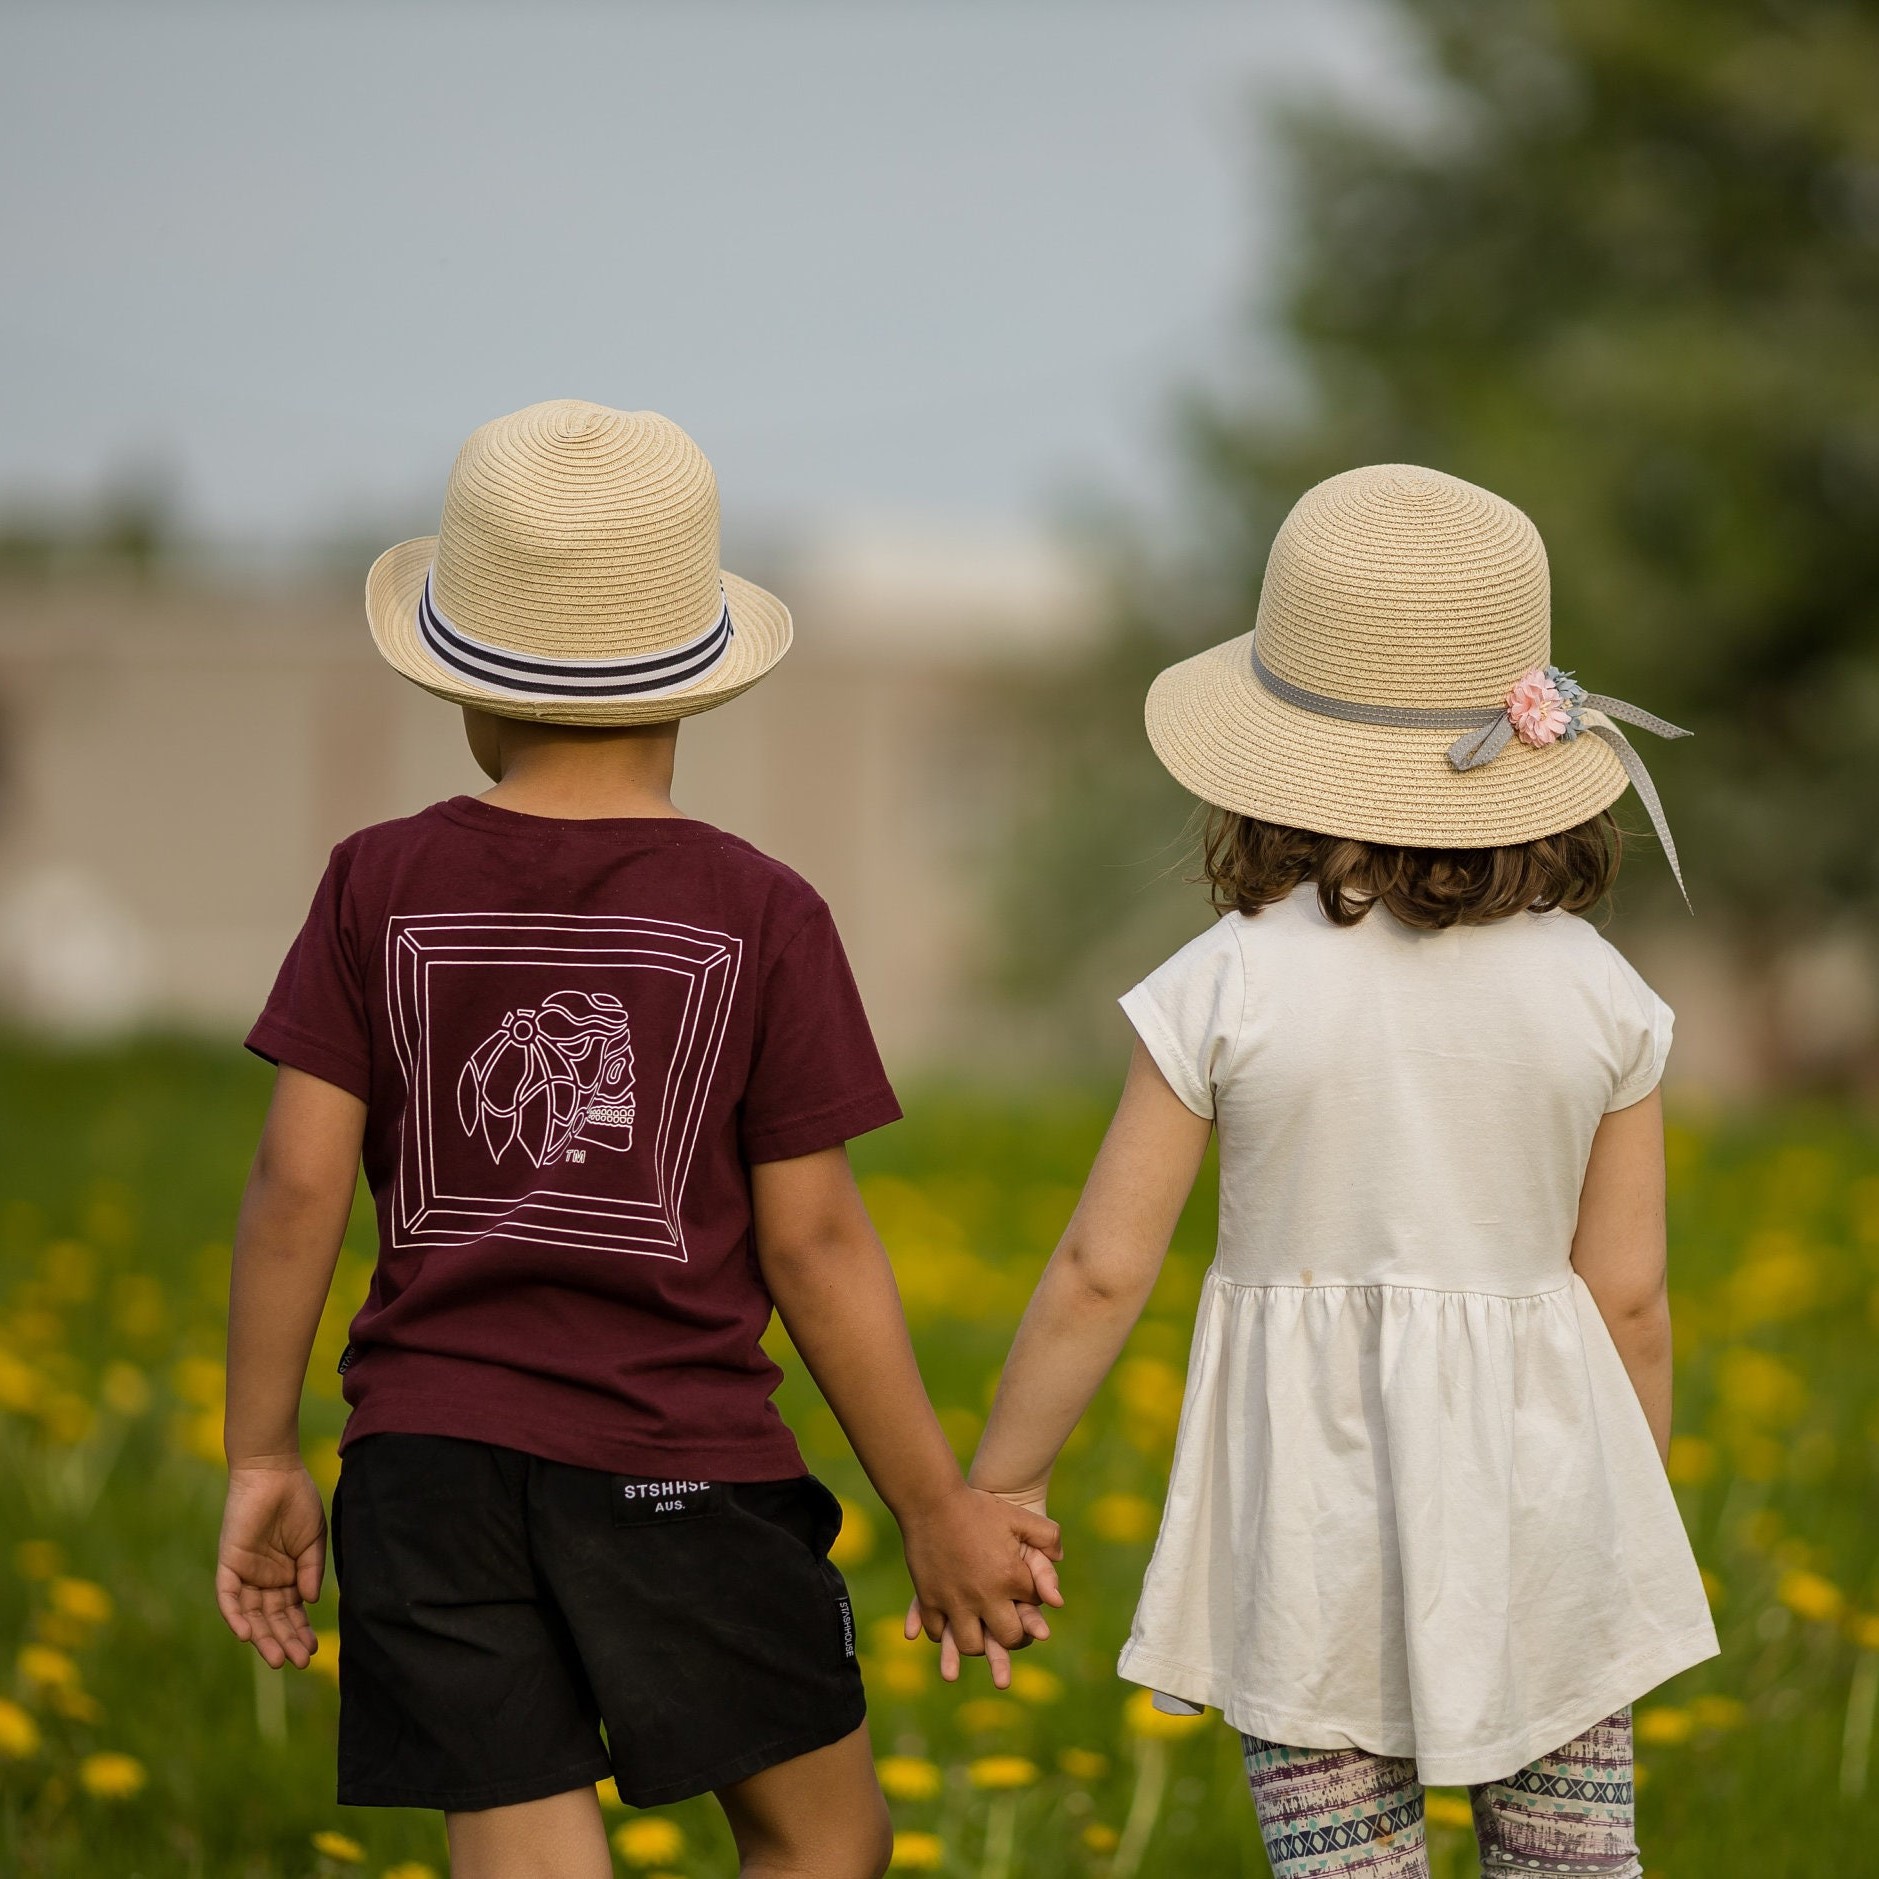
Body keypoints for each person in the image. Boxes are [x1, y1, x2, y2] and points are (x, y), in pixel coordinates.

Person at [213, 401, 1059, 1879]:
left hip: (425, 1469)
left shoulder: (374, 882)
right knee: (822, 1840)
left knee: (524, 1850)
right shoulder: (762, 911)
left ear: (464, 687)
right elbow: (814, 1240)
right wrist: (936, 1503)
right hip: (679, 1463)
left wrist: (262, 1454)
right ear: (695, 690)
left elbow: (294, 1186)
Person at [944, 466, 1718, 1877]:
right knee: (1571, 1865)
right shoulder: (1602, 993)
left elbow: (1102, 1269)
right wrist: (1620, 1518)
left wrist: (997, 1489)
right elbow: (1631, 1302)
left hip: (1305, 1512)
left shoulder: (1227, 982)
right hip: (1546, 1504)